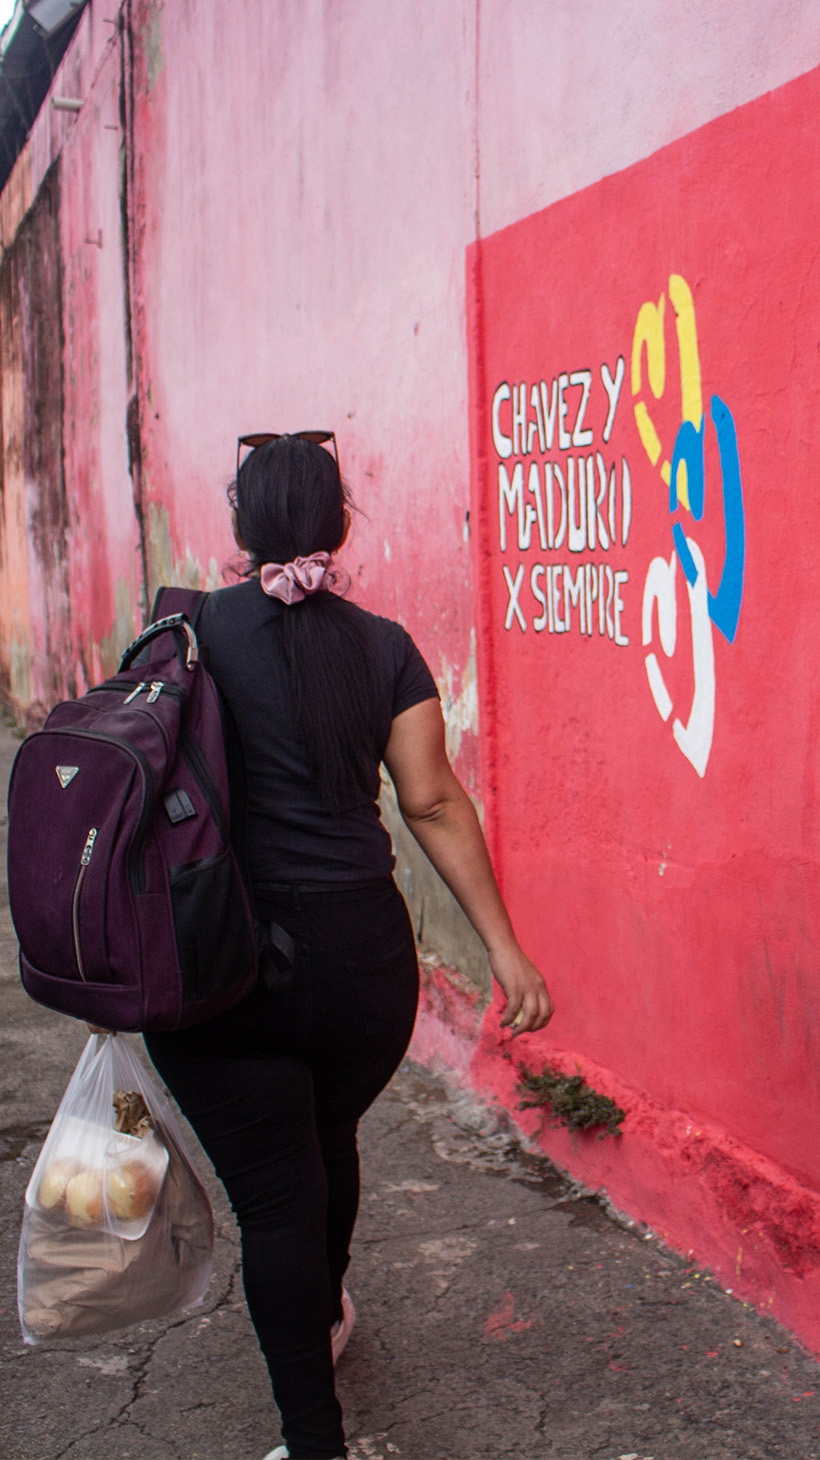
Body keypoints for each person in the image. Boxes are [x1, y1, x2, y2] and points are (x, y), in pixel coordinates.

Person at [142, 432, 554, 1460]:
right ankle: (323, 1312)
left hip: (221, 959)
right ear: (337, 525)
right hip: (363, 968)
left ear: (241, 529)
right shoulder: (387, 645)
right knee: (327, 1139)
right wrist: (505, 948)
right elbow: (430, 799)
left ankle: (312, 1438)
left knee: (277, 1195)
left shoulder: (186, 631)